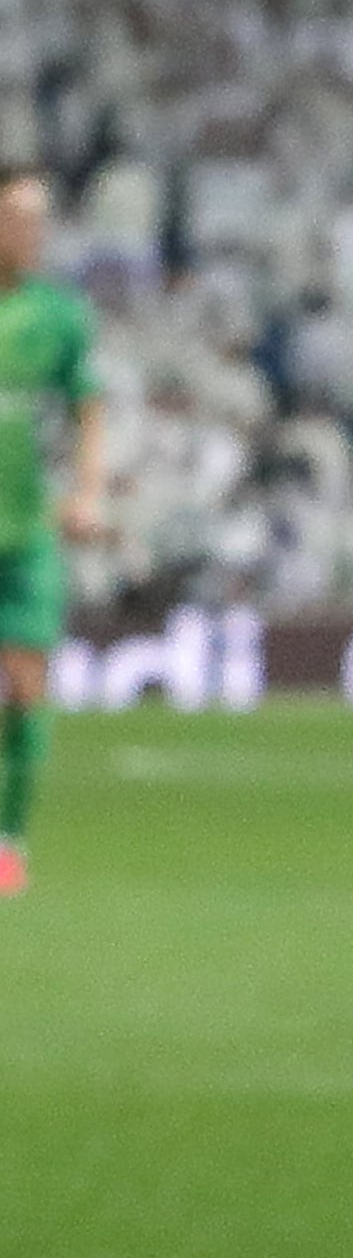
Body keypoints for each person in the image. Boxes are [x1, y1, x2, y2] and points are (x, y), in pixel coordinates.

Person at [0, 171, 104, 901]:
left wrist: (86, 492)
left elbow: (87, 407)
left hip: (26, 531)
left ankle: (9, 840)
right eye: (17, 217)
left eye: (39, 218)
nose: (31, 232)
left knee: (25, 689)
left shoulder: (60, 316)